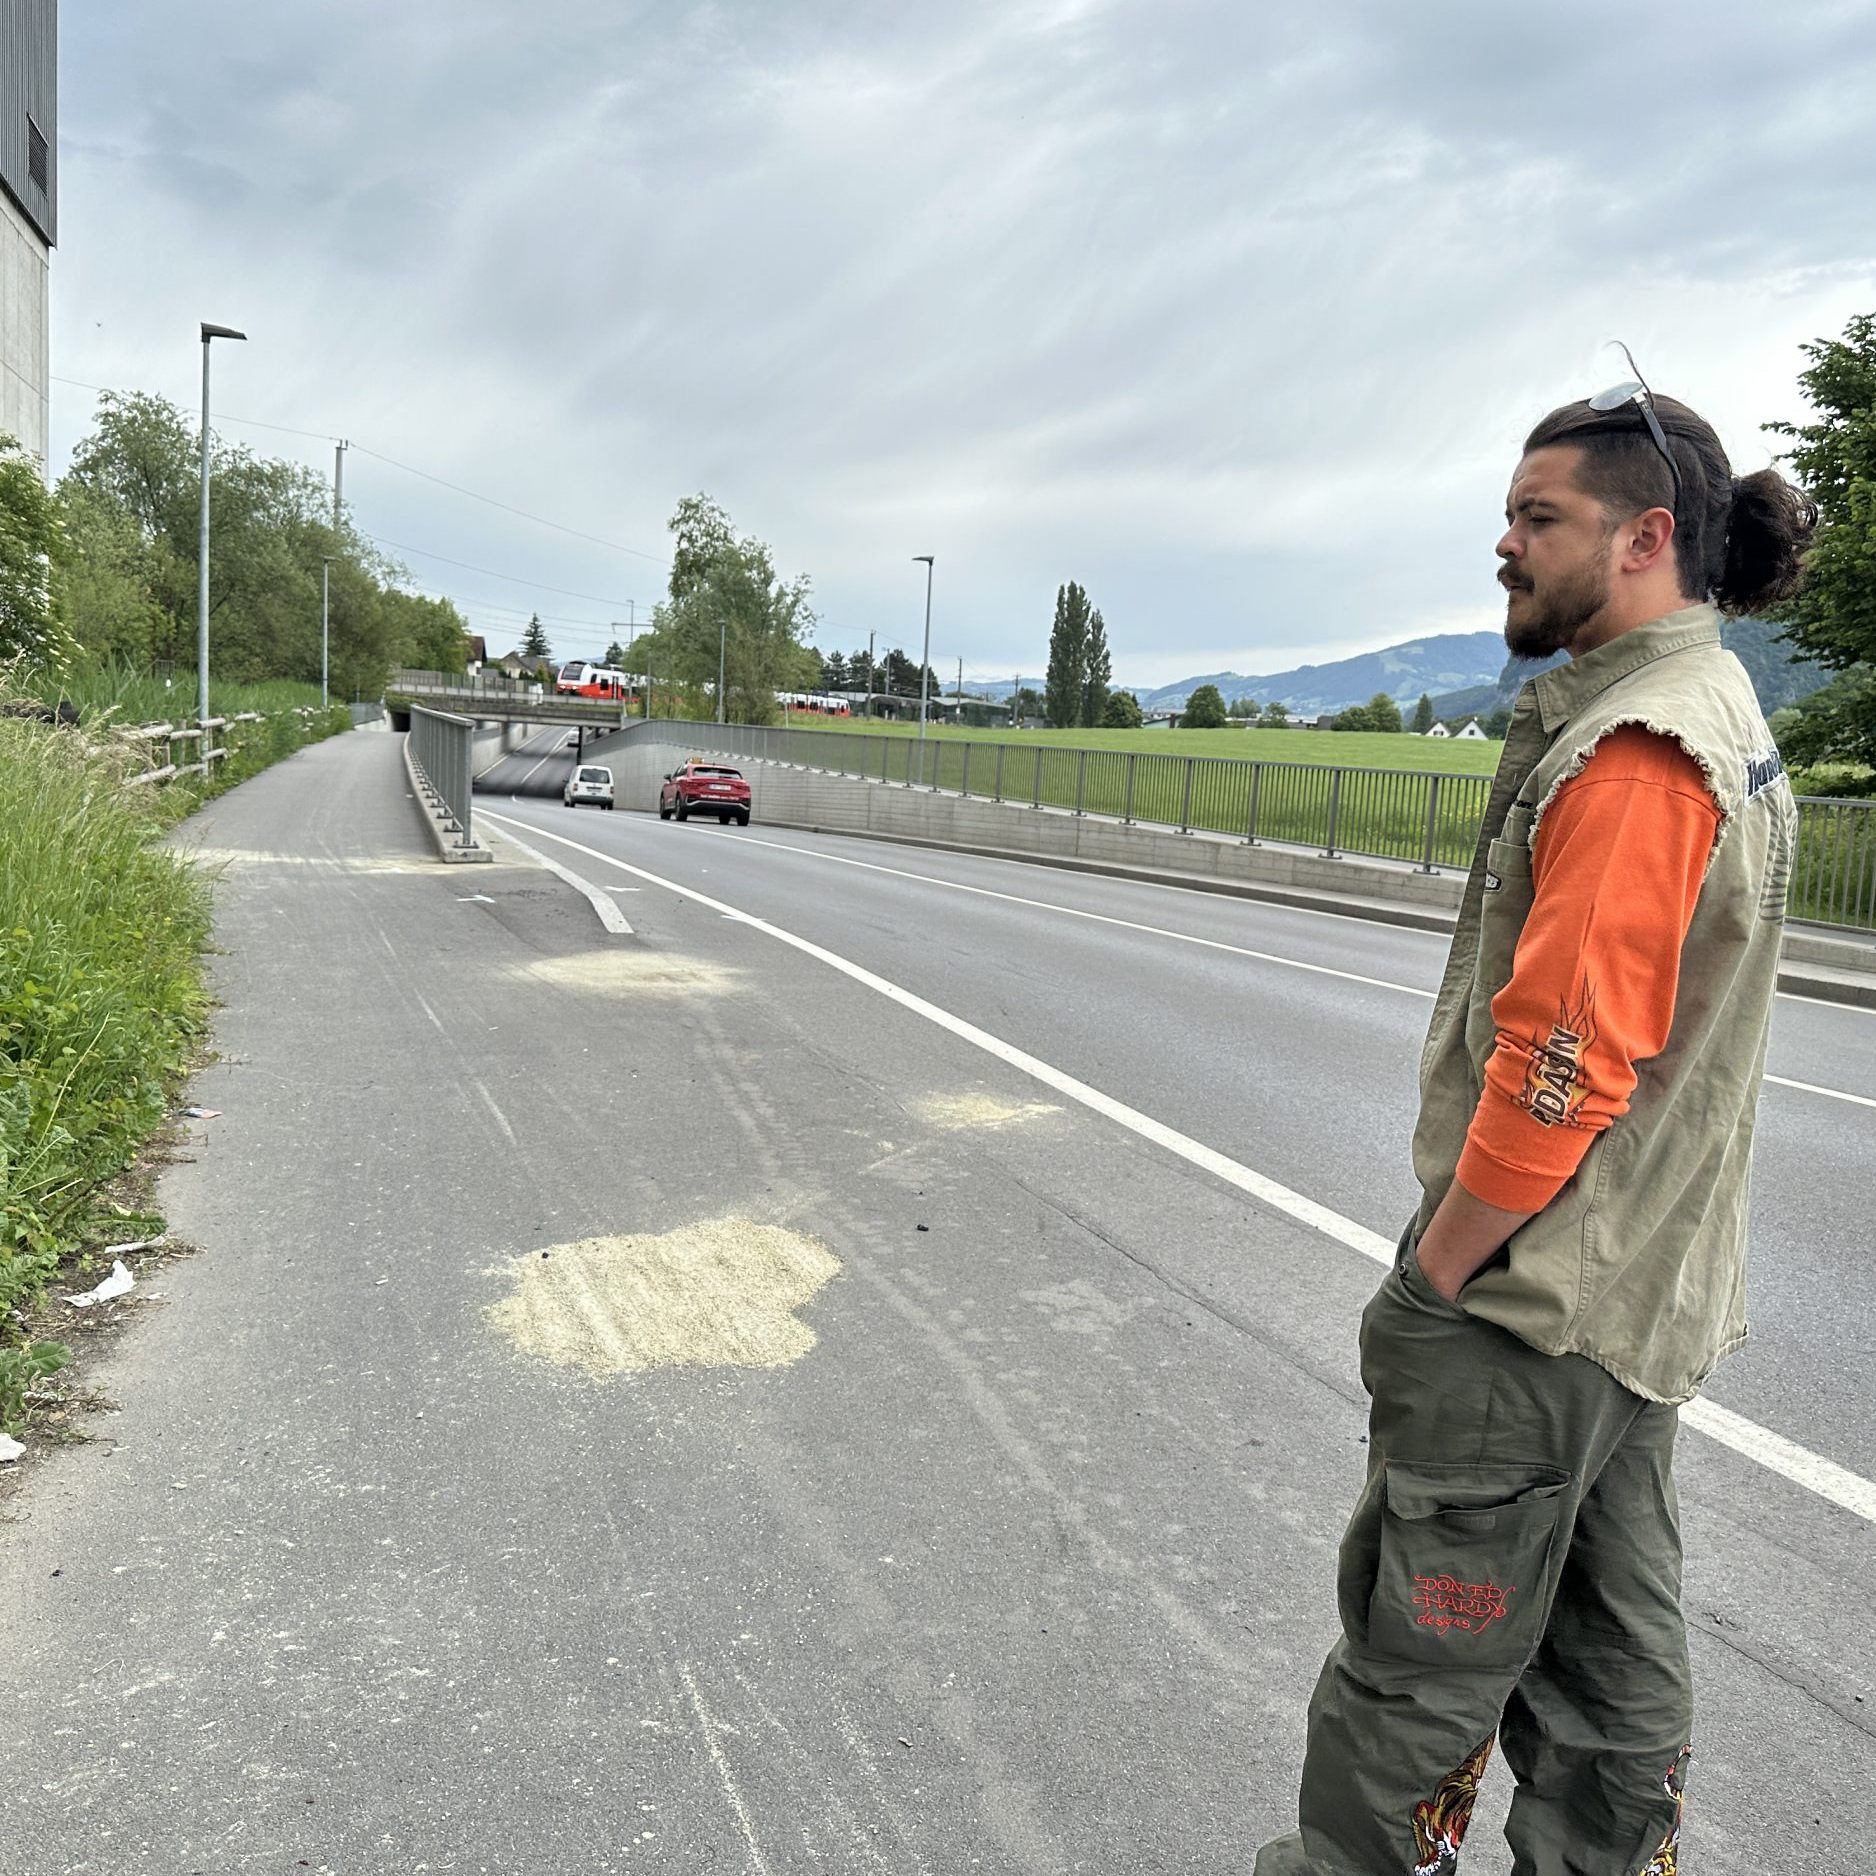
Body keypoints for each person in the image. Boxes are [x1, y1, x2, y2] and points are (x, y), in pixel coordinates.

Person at [1255, 376, 1817, 1876]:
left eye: (1536, 516)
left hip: (1533, 1315)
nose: (1504, 543)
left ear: (1643, 539)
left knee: (1414, 1673)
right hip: (1636, 1304)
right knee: (1612, 1664)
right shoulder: (1715, 709)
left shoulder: (1636, 753)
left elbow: (1560, 1069)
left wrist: (1434, 1280)